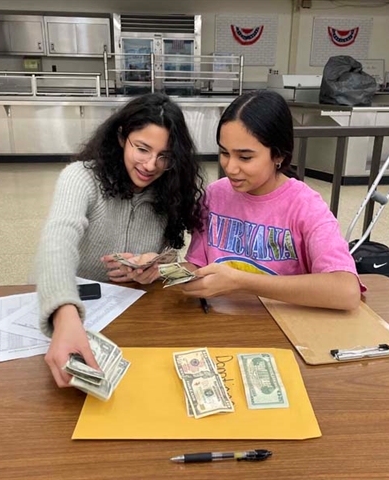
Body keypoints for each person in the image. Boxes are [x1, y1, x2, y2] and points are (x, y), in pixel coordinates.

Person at [36, 93, 205, 387]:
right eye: (142, 149)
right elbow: (57, 241)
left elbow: (169, 257)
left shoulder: (169, 192)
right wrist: (64, 315)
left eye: (164, 157)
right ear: (121, 138)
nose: (151, 165)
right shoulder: (81, 178)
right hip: (67, 306)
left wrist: (154, 269)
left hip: (129, 316)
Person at [181, 90, 362, 310]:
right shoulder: (215, 195)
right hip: (220, 323)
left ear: (278, 155)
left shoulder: (305, 206)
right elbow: (197, 265)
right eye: (224, 153)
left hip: (284, 329)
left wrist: (241, 282)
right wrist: (160, 268)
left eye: (245, 157)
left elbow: (346, 291)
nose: (230, 167)